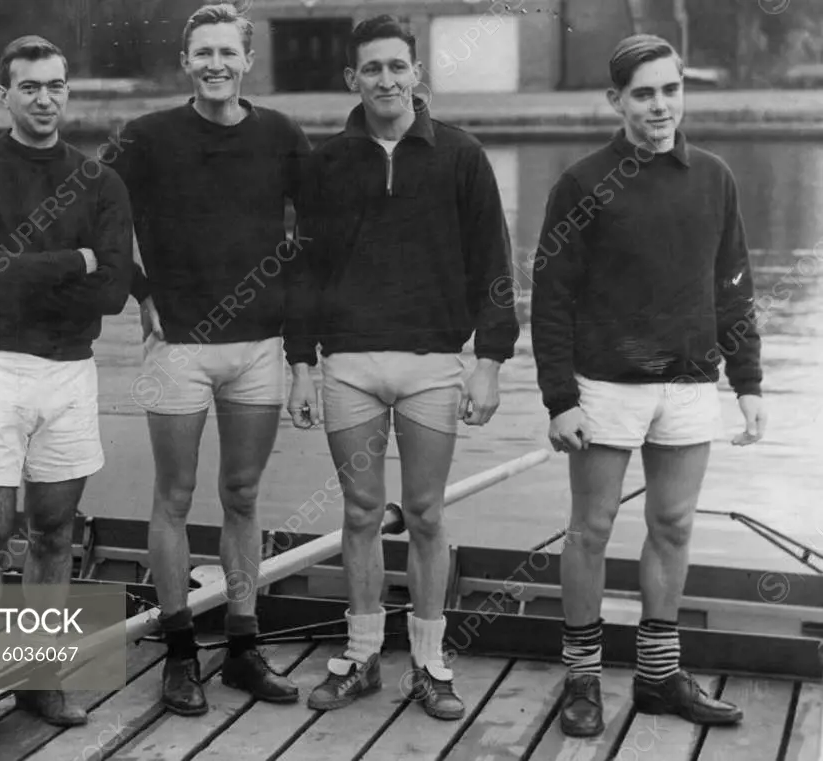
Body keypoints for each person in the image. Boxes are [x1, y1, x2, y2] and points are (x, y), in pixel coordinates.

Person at [529, 34, 766, 737]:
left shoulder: (715, 177)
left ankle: (659, 677)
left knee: (673, 525)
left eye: (670, 89)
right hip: (605, 387)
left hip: (691, 386)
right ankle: (582, 679)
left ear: (682, 91)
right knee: (591, 529)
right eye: (643, 93)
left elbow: (735, 289)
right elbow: (552, 299)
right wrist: (559, 398)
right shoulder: (580, 183)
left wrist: (748, 382)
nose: (660, 105)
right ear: (617, 101)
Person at [284, 15, 520, 721]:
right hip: (348, 364)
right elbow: (302, 273)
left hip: (431, 366)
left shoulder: (461, 156)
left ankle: (429, 661)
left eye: (398, 66)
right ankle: (360, 656)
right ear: (351, 80)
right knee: (360, 512)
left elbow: (494, 268)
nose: (386, 79)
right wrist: (300, 362)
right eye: (372, 69)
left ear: (417, 73)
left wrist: (491, 361)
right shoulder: (325, 164)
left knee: (424, 513)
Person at [103, 3, 309, 716]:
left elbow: (315, 231)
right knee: (173, 496)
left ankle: (245, 648)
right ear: (185, 62)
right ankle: (182, 651)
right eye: (203, 53)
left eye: (228, 52)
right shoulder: (147, 136)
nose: (216, 64)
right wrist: (139, 288)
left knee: (244, 495)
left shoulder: (282, 134)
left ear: (247, 60)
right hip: (178, 347)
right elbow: (96, 212)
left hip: (258, 346)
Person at [0, 35, 134, 744]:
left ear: (67, 92)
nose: (45, 98)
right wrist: (71, 261)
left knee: (52, 532)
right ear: (5, 95)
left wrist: (27, 271)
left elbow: (112, 292)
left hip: (68, 372)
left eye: (56, 86)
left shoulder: (102, 182)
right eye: (29, 87)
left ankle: (42, 682)